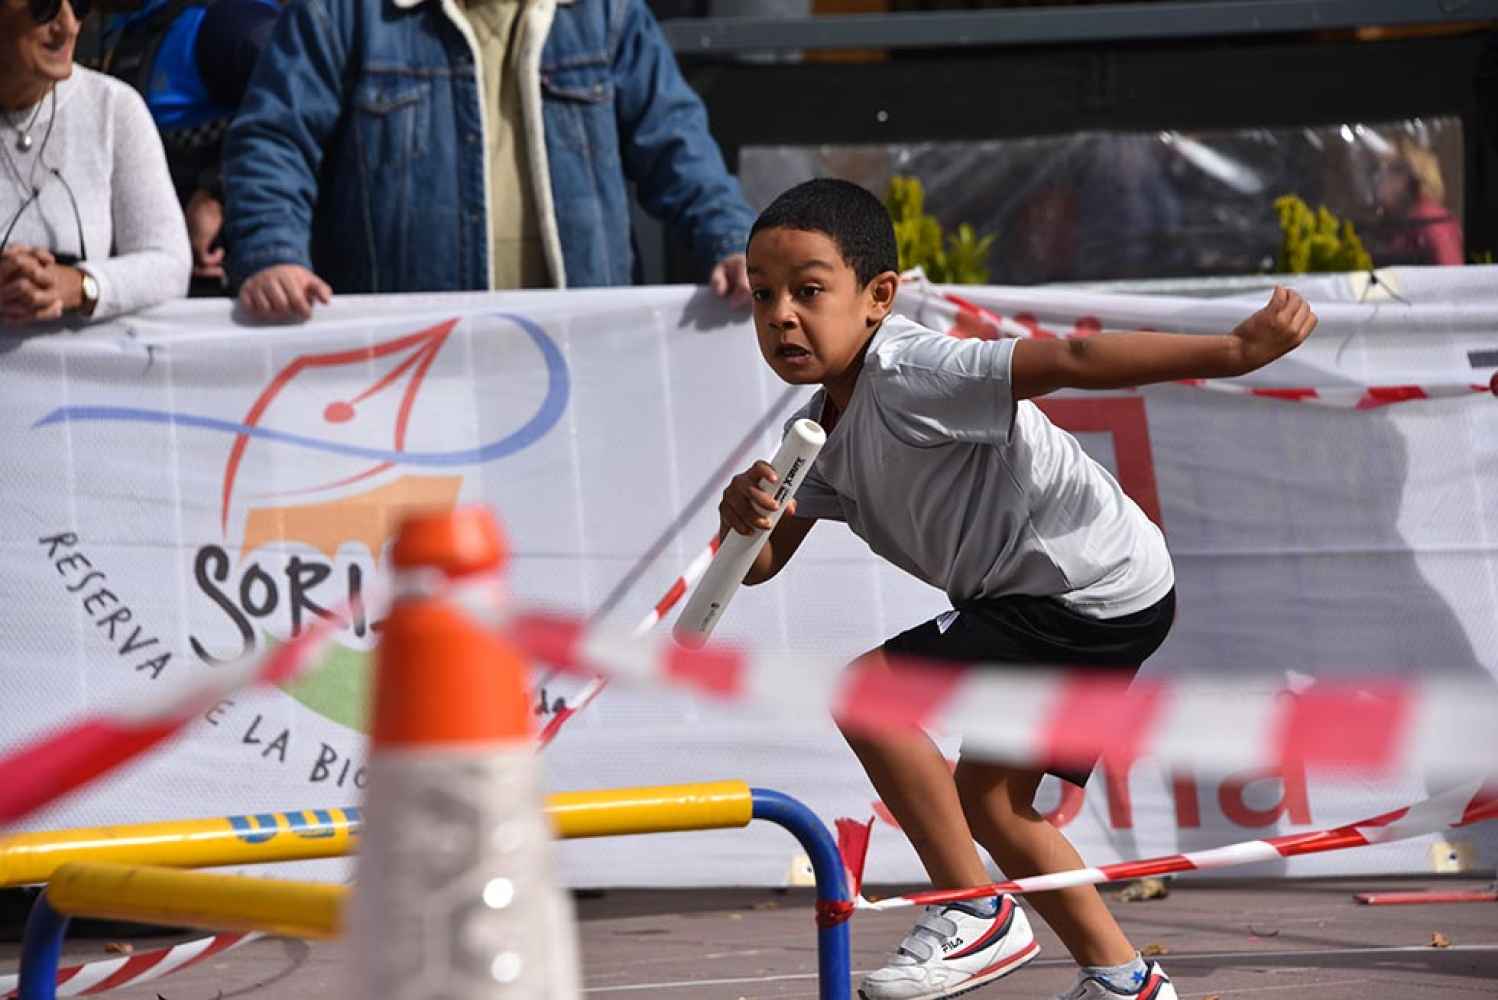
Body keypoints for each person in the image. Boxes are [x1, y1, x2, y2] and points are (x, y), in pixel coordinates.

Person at [721, 179, 1317, 1000]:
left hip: (1081, 589)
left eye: (808, 290)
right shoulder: (817, 436)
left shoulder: (913, 366)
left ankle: (977, 915)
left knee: (869, 695)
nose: (781, 314)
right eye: (762, 296)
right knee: (994, 804)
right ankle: (1124, 982)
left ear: (879, 297)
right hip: (1096, 591)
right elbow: (757, 565)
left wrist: (1232, 353)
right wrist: (739, 512)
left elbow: (1069, 359)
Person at [222, 0, 755, 321]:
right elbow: (275, 140)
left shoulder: (608, 11)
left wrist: (735, 245)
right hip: (405, 368)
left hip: (580, 358)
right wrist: (274, 256)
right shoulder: (341, 10)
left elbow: (678, 144)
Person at [1, 0, 190, 326]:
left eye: (80, 6)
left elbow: (170, 263)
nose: (69, 26)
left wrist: (80, 285)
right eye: (43, 9)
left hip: (80, 375)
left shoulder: (115, 108)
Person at [93, 0, 282, 293]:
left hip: (233, 287)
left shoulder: (234, 24)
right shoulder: (129, 28)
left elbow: (299, 121)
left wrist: (216, 193)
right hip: (149, 276)